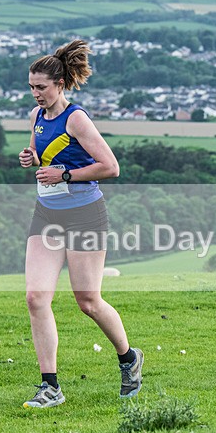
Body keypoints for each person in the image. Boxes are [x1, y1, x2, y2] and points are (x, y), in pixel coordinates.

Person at [18, 39, 143, 408]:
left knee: (87, 301)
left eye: (41, 87)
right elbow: (44, 156)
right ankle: (50, 386)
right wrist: (30, 157)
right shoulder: (35, 117)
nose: (36, 93)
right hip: (47, 214)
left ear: (60, 84)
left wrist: (66, 175)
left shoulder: (77, 118)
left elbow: (110, 167)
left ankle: (128, 358)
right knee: (35, 297)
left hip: (85, 214)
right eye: (31, 87)